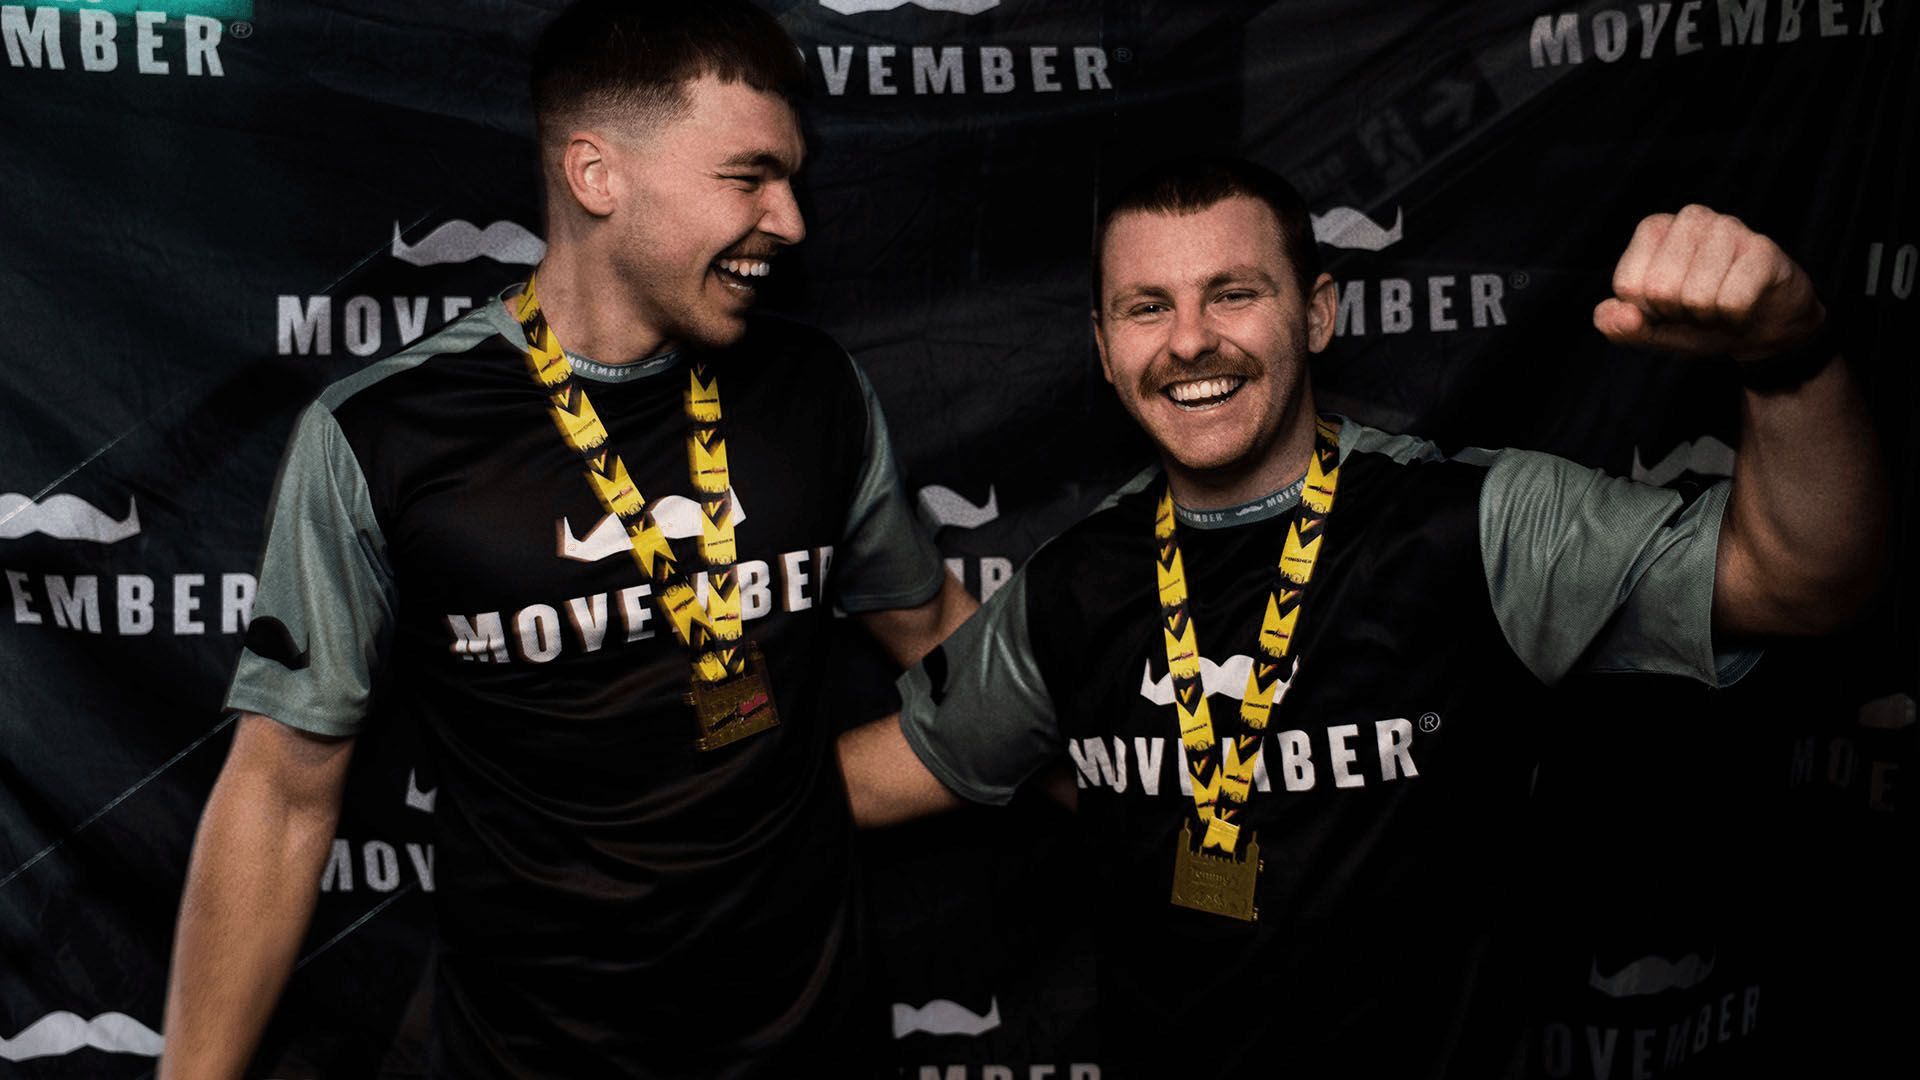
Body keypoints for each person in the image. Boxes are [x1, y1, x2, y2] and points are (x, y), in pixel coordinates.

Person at [838, 157, 1885, 1076]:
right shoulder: (1072, 587)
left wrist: (1787, 359)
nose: (1190, 340)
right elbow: (872, 779)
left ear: (1318, 312)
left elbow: (1800, 583)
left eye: (1233, 293)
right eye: (1146, 307)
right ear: (1106, 348)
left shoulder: (1474, 526)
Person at [160, 3, 974, 1076]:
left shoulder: (814, 391)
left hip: (813, 1047)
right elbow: (278, 792)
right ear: (597, 175)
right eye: (749, 177)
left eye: (794, 178)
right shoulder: (384, 434)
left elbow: (941, 636)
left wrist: (1161, 795)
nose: (791, 219)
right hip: (529, 1055)